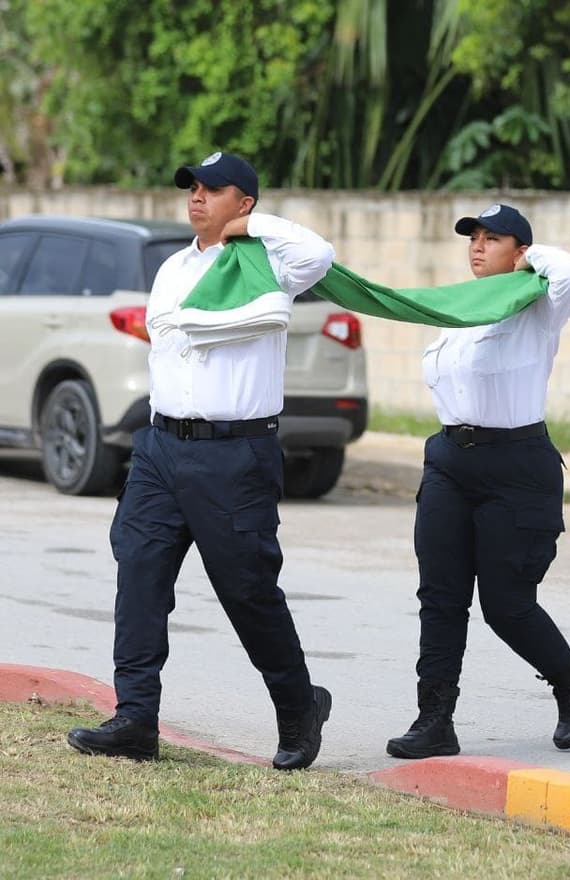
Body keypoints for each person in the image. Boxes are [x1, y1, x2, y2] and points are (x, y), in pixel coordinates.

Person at [66, 151, 335, 768]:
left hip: (234, 453)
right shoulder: (174, 268)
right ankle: (135, 718)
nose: (196, 196)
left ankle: (298, 705)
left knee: (247, 590)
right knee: (139, 575)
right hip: (161, 448)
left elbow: (318, 254)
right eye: (192, 186)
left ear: (243, 203)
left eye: (214, 190)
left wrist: (250, 229)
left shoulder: (269, 265)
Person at [386, 203, 570, 759]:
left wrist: (532, 262)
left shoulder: (539, 304)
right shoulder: (458, 311)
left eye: (494, 238)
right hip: (449, 462)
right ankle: (434, 720)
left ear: (521, 251)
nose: (478, 246)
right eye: (474, 237)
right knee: (440, 597)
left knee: (506, 605)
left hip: (516, 467)